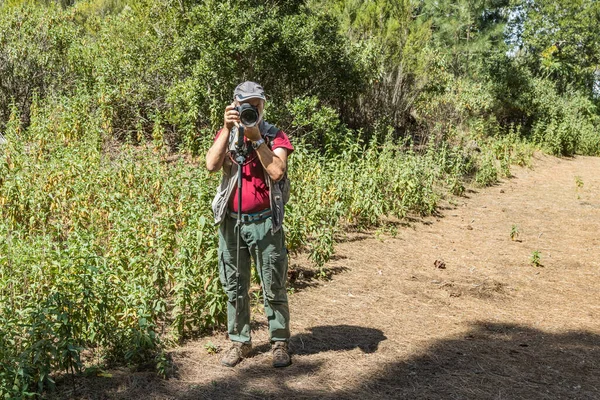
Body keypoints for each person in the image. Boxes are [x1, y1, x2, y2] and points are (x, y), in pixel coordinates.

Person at [205, 81, 294, 368]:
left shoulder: (274, 135)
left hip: (265, 223)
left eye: (256, 105)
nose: (252, 109)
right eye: (246, 105)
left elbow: (277, 171)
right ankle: (239, 342)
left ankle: (279, 343)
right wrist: (227, 128)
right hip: (232, 222)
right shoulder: (229, 134)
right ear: (235, 105)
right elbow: (211, 164)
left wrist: (256, 138)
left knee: (273, 283)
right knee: (234, 286)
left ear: (263, 105)